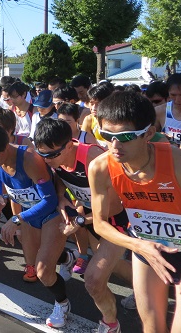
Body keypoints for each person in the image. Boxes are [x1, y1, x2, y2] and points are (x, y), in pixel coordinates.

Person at [89, 91, 181, 333]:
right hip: (146, 245)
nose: (114, 146)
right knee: (152, 328)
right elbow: (100, 224)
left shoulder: (178, 162)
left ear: (148, 133)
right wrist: (139, 246)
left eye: (125, 137)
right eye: (106, 135)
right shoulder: (100, 167)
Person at [34, 118, 133, 333]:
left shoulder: (93, 158)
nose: (47, 160)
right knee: (114, 265)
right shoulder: (56, 159)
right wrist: (61, 197)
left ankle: (110, 324)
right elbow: (61, 176)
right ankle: (144, 286)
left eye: (52, 155)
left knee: (93, 280)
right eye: (42, 154)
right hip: (90, 214)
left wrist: (79, 221)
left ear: (70, 145)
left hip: (115, 218)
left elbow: (114, 207)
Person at [0, 123, 72, 328]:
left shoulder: (30, 159)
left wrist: (17, 219)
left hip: (51, 213)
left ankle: (62, 303)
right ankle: (67, 257)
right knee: (33, 261)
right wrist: (0, 200)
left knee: (43, 272)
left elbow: (50, 200)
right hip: (29, 213)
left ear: (5, 147)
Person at [155, 73, 181, 146]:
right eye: (173, 95)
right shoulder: (160, 111)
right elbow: (150, 137)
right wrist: (159, 137)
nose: (178, 100)